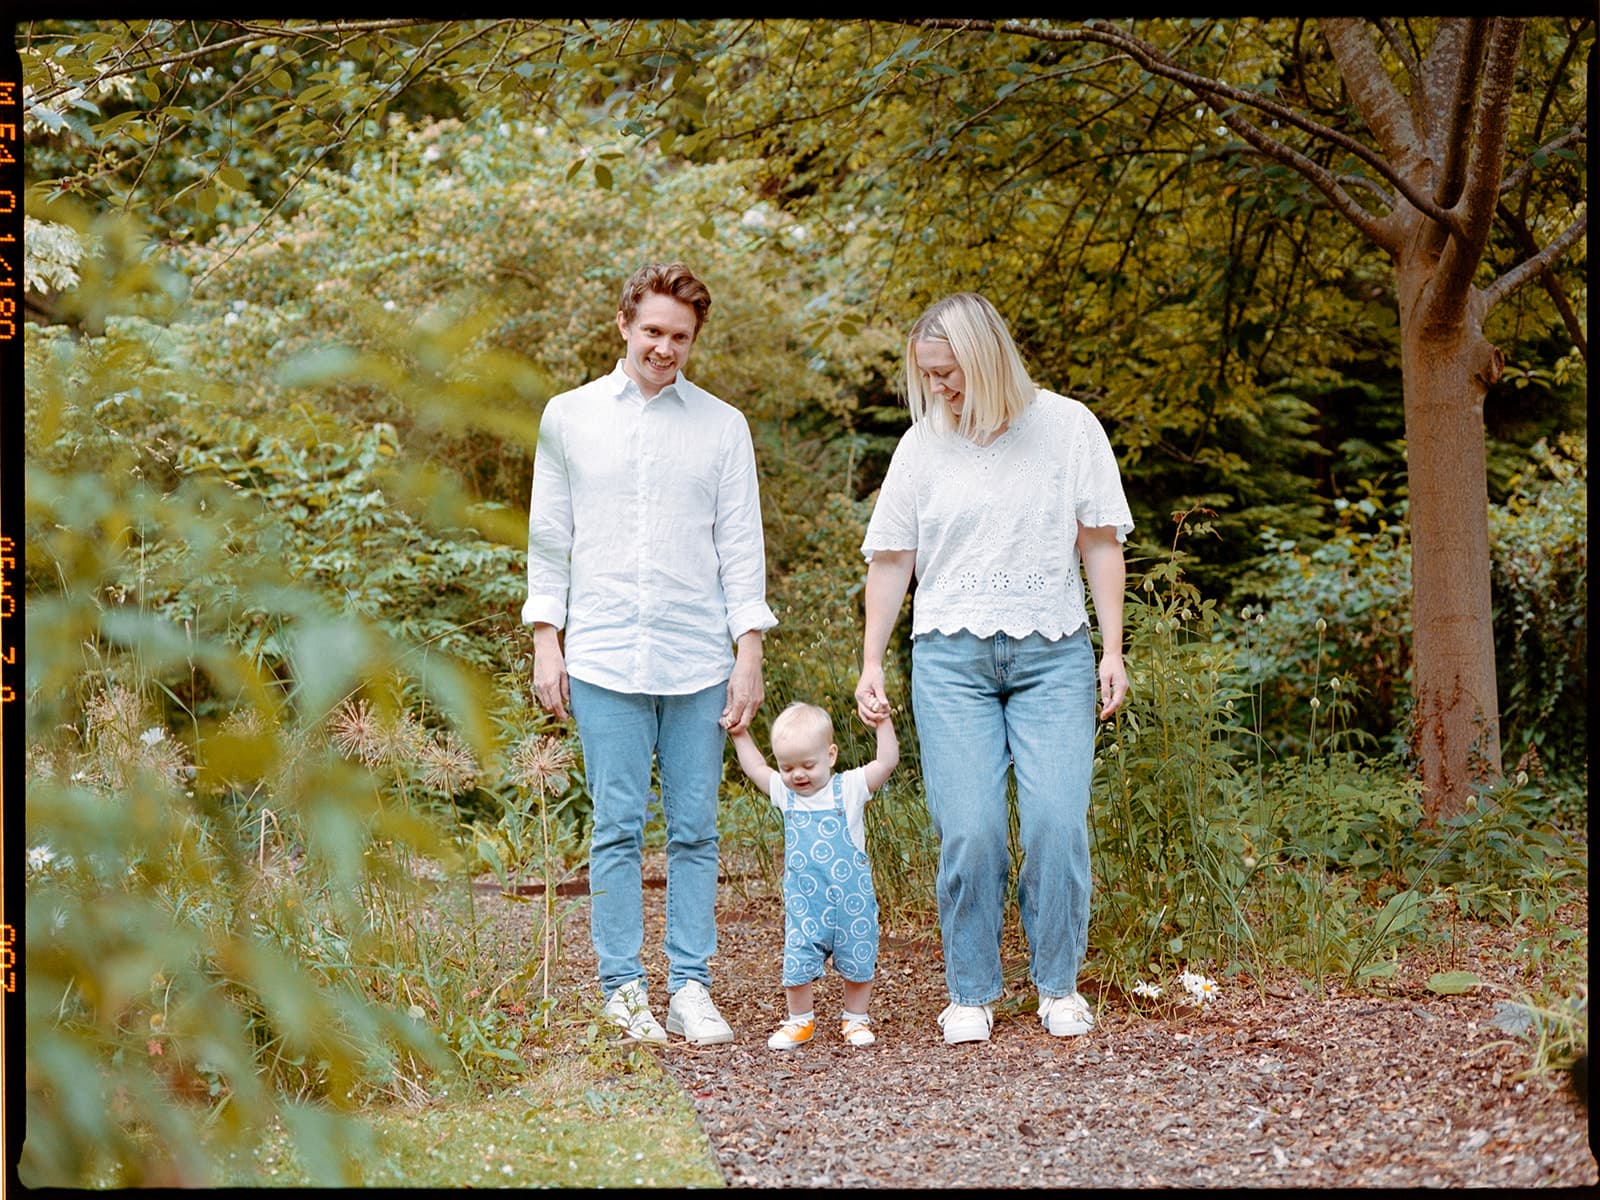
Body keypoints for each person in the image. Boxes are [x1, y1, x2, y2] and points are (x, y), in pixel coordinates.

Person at [854, 291, 1133, 1046]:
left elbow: (1100, 543)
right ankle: (970, 992)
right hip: (949, 660)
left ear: (986, 360)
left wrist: (1111, 650)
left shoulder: (1069, 428)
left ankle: (1058, 987)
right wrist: (871, 659)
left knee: (1054, 825)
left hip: (1055, 653)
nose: (939, 389)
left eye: (949, 373)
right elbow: (892, 558)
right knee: (971, 830)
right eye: (929, 377)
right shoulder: (921, 445)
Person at [523, 262, 777, 1046]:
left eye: (681, 337)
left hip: (700, 657)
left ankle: (691, 988)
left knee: (697, 830)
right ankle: (623, 987)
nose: (665, 348)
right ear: (625, 325)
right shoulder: (567, 418)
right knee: (617, 827)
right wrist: (546, 638)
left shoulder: (722, 426)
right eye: (654, 331)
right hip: (601, 653)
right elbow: (549, 538)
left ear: (695, 339)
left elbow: (741, 546)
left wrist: (749, 651)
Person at [726, 701, 898, 1050]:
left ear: (831, 755)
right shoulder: (786, 795)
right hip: (806, 905)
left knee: (859, 960)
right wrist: (740, 734)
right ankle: (800, 1020)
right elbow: (756, 767)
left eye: (808, 764)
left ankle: (856, 1018)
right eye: (787, 767)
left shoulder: (849, 788)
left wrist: (883, 722)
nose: (798, 775)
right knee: (797, 961)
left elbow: (886, 762)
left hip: (852, 901)